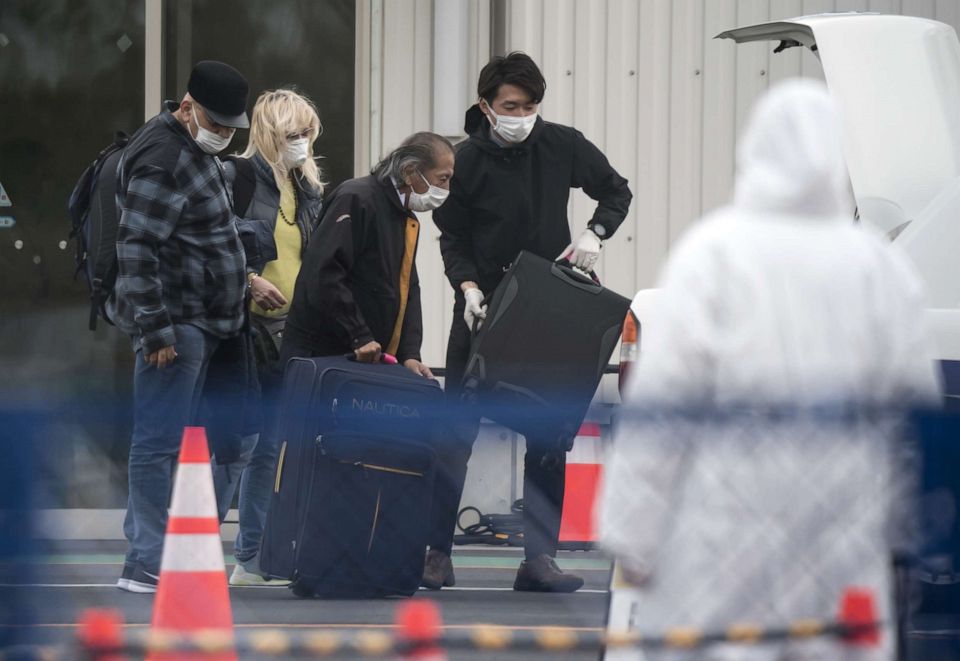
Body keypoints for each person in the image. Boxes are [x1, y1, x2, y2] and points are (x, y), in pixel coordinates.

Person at [597, 80, 942, 660]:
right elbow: (916, 426)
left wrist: (633, 535)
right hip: (842, 537)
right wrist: (908, 537)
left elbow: (663, 410)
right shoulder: (881, 270)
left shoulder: (712, 255)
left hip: (717, 538)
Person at [428, 52, 632, 592]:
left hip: (551, 308)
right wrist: (467, 287)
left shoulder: (562, 143)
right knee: (457, 430)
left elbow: (617, 190)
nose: (523, 115)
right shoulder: (464, 160)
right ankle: (434, 553)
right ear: (487, 107)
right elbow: (451, 235)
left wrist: (595, 234)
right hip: (483, 306)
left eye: (531, 105)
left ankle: (538, 560)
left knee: (549, 434)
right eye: (511, 106)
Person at [110, 60, 251, 593]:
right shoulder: (164, 157)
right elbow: (136, 247)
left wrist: (247, 277)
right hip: (180, 324)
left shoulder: (191, 148)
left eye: (230, 127)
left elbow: (206, 227)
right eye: (217, 124)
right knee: (158, 443)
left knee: (206, 439)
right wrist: (156, 331)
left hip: (210, 319)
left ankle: (155, 550)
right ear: (188, 107)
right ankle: (146, 559)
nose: (224, 135)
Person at [212, 89, 325, 586]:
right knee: (236, 443)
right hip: (244, 326)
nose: (300, 143)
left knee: (270, 445)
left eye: (306, 134)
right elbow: (209, 240)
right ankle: (190, 545)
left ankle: (251, 556)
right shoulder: (234, 176)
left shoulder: (307, 188)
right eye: (291, 133)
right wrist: (248, 278)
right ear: (268, 132)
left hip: (291, 331)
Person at [278, 131, 453, 374]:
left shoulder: (405, 219)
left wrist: (409, 354)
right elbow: (324, 273)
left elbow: (407, 288)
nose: (446, 189)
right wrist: (359, 335)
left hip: (367, 361)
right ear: (411, 171)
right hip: (323, 360)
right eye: (442, 179)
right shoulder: (357, 198)